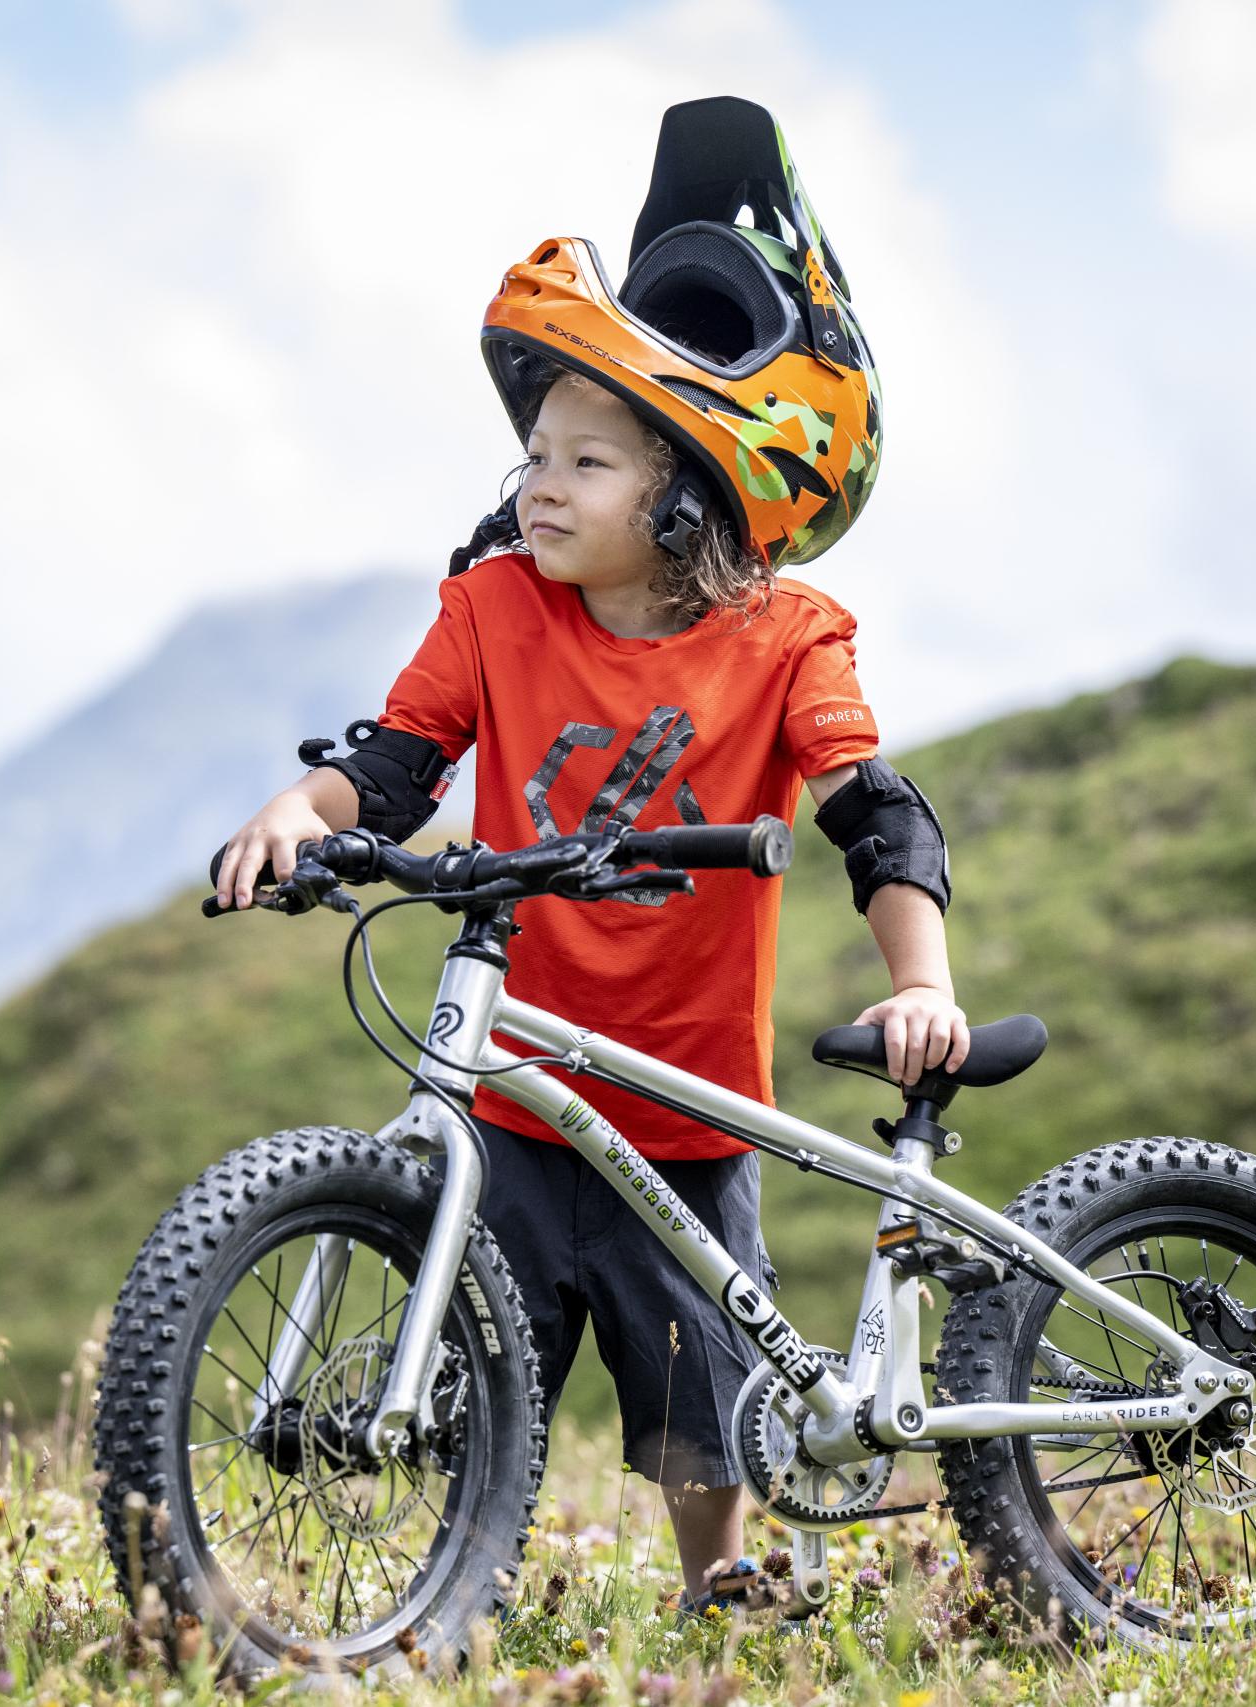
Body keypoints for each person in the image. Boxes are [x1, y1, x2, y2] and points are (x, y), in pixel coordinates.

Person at [213, 97, 966, 1620]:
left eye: (590, 461)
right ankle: (447, 1590)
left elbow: (872, 809)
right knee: (487, 1354)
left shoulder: (784, 638)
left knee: (692, 1379)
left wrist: (921, 982)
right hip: (513, 1090)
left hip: (684, 1111)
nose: (542, 483)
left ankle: (725, 1579)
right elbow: (400, 761)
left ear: (687, 494)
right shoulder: (494, 609)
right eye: (538, 452)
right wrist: (308, 816)